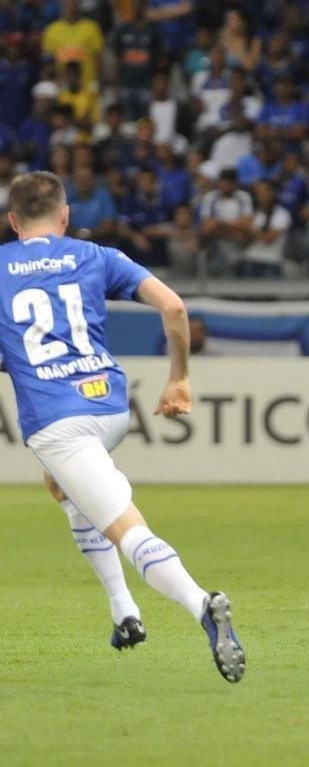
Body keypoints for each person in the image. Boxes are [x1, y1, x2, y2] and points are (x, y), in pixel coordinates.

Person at [0, 171, 244, 682]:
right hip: (109, 406)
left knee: (124, 525)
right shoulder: (96, 256)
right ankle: (124, 611)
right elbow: (174, 306)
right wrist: (178, 379)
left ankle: (202, 603)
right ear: (65, 217)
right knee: (62, 486)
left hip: (56, 420)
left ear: (12, 221)